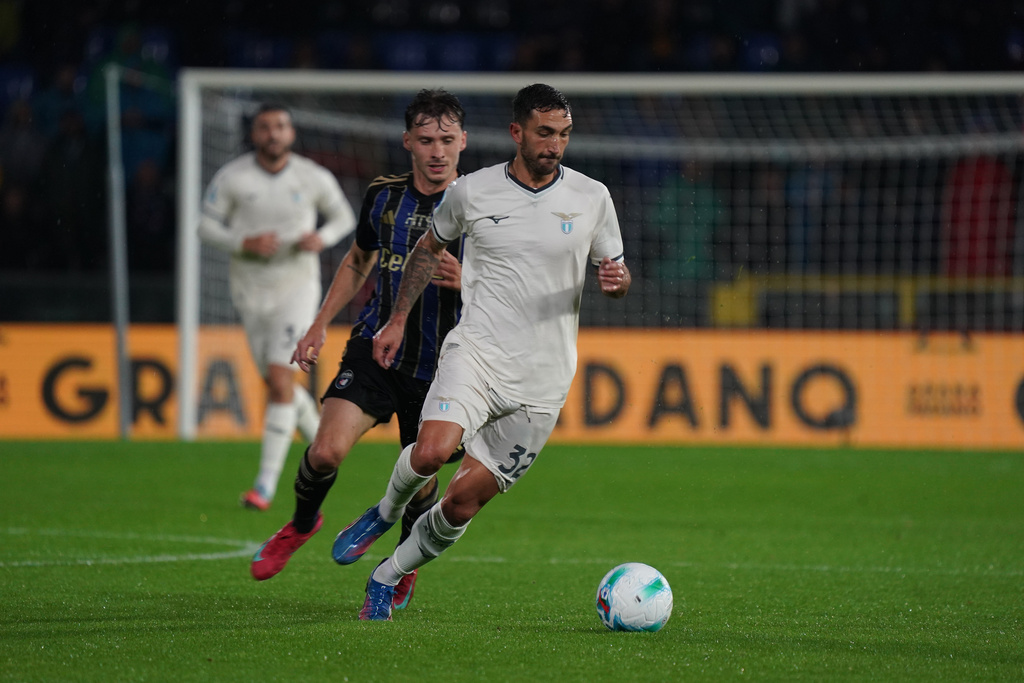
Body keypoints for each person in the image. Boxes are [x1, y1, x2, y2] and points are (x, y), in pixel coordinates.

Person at [333, 83, 631, 621]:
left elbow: (616, 271)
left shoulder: (593, 196)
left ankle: (387, 575)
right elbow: (428, 250)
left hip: (543, 381)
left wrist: (617, 281)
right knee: (430, 453)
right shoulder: (472, 192)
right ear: (517, 132)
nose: (554, 145)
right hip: (476, 354)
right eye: (544, 133)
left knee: (461, 504)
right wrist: (396, 319)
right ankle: (384, 511)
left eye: (563, 134)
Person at [249, 90, 468, 611]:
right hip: (376, 346)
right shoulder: (383, 195)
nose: (437, 151)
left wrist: (468, 279)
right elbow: (357, 259)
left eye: (446, 140)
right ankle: (302, 523)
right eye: (426, 140)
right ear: (407, 142)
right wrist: (318, 324)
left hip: (445, 363)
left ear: (463, 141)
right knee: (325, 451)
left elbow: (511, 282)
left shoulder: (482, 207)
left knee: (420, 481)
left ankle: (403, 565)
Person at [198, 103, 356, 511]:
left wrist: (321, 238)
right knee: (277, 383)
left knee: (282, 380)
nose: (273, 133)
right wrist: (243, 242)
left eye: (280, 126)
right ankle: (323, 447)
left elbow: (343, 218)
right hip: (250, 291)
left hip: (296, 287)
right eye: (265, 127)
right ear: (254, 134)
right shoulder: (233, 177)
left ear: (291, 133)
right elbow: (205, 226)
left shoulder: (311, 175)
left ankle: (264, 486)